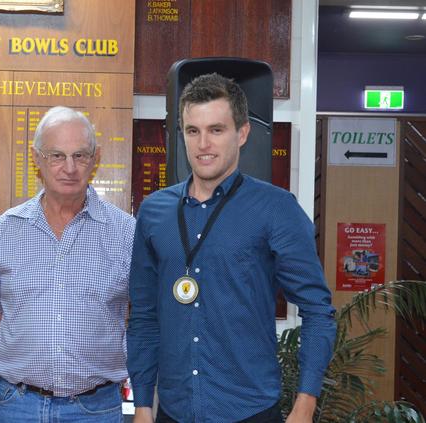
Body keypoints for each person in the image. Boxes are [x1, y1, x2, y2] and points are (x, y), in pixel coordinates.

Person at [127, 73, 336, 423]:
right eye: (193, 131)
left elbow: (318, 310)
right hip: (172, 412)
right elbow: (145, 316)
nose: (203, 144)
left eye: (216, 130)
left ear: (242, 133)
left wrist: (305, 404)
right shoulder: (154, 212)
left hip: (249, 411)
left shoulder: (276, 209)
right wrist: (144, 406)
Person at [0, 106, 135, 423]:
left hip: (95, 410)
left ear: (95, 159)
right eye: (57, 156)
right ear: (37, 158)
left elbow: (146, 319)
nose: (69, 167)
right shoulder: (6, 229)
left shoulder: (126, 232)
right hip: (15, 406)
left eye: (80, 155)